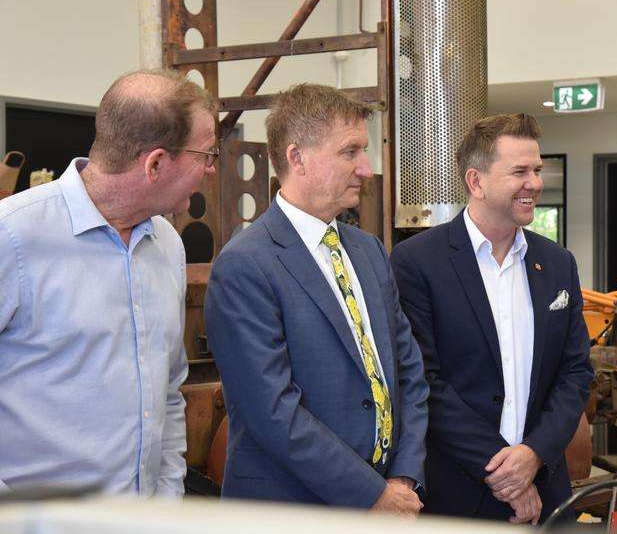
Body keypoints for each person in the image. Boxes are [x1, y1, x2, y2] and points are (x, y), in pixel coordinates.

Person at [205, 84, 428, 514]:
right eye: (350, 152)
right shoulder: (246, 265)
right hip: (292, 508)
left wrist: (402, 475)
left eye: (365, 151)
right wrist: (372, 494)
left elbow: (408, 371)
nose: (366, 169)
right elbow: (273, 411)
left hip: (389, 500)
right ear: (297, 158)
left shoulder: (368, 251)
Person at [0, 69, 218, 496]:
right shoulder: (13, 237)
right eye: (206, 155)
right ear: (155, 163)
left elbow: (169, 392)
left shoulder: (167, 244)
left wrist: (168, 498)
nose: (211, 171)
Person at [390, 113, 594, 524]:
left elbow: (575, 373)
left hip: (546, 492)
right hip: (457, 497)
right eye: (519, 171)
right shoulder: (417, 263)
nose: (535, 183)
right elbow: (423, 381)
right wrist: (504, 472)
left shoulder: (557, 263)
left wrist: (533, 455)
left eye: (537, 170)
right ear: (475, 181)